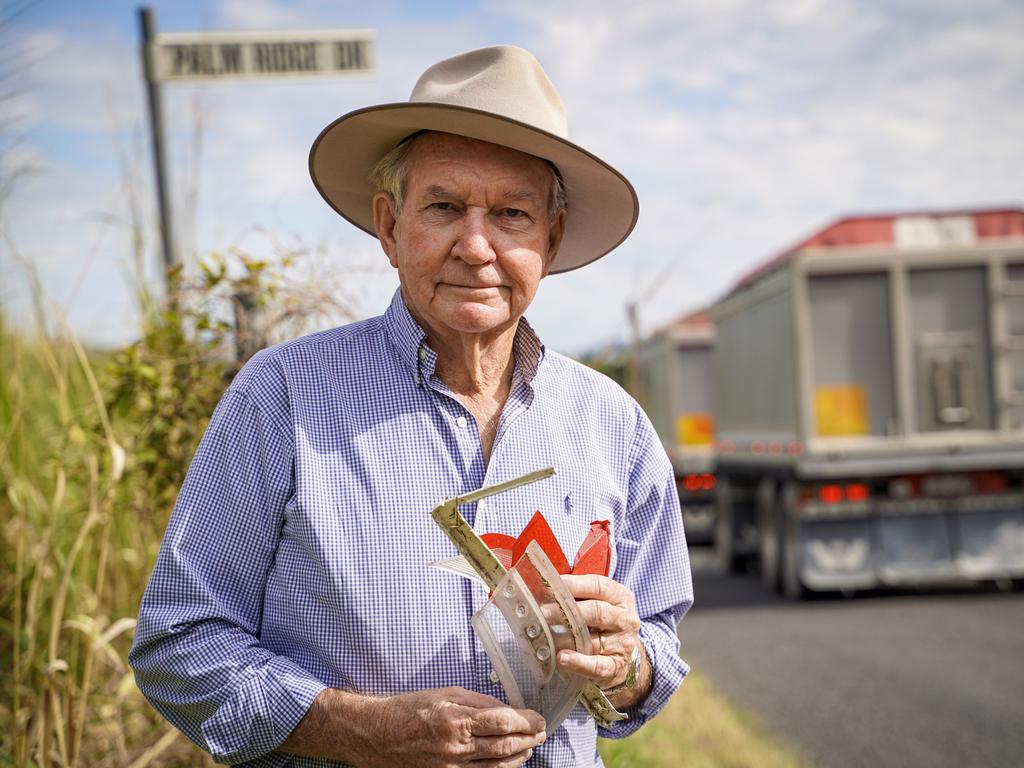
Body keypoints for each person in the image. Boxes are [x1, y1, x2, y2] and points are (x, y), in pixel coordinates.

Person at [129, 45, 693, 767]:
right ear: (390, 227)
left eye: (512, 215)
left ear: (548, 241)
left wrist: (629, 663)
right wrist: (361, 728)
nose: (477, 246)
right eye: (446, 207)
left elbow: (657, 651)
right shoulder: (281, 398)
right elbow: (179, 642)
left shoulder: (614, 424)